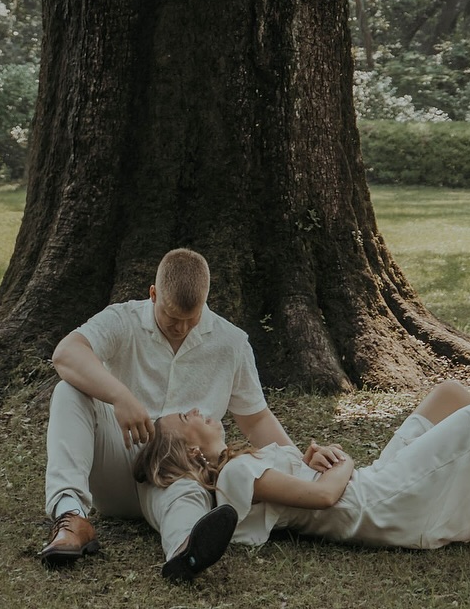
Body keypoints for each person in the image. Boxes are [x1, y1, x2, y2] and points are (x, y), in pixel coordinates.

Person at [41, 246, 326, 581]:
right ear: (153, 294)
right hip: (120, 465)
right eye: (172, 317)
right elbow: (66, 353)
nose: (181, 328)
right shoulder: (123, 320)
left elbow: (256, 419)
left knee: (188, 488)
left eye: (192, 318)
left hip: (181, 471)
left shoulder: (231, 343)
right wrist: (120, 396)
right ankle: (71, 518)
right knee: (68, 391)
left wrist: (299, 466)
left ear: (206, 301)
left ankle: (185, 550)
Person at [133, 377, 470, 559]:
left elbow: (305, 487)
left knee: (449, 395)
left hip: (369, 484)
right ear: (192, 453)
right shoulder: (233, 475)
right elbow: (325, 498)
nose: (196, 410)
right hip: (374, 503)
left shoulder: (242, 466)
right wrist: (344, 462)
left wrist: (313, 458)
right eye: (185, 417)